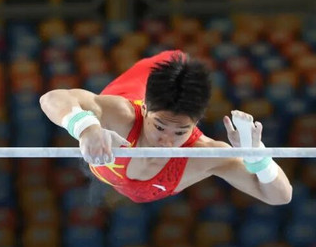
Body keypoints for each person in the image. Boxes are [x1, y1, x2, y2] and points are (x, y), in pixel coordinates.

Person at [40, 50, 293, 205]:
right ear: (145, 109)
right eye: (160, 128)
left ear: (196, 123)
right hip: (130, 92)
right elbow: (51, 98)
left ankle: (179, 65)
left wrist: (259, 159)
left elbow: (279, 197)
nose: (167, 141)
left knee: (179, 66)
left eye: (180, 132)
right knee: (164, 64)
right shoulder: (121, 116)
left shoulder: (203, 155)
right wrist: (86, 127)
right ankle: (173, 61)